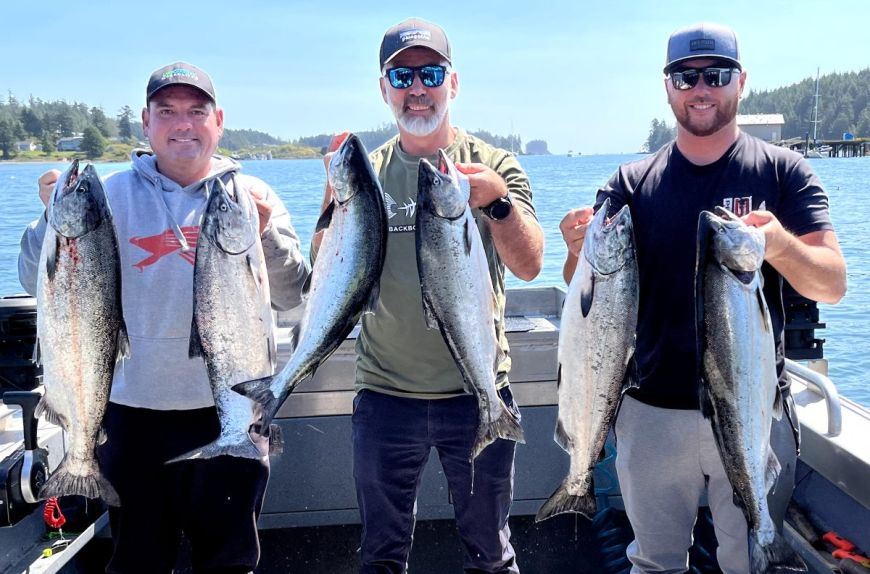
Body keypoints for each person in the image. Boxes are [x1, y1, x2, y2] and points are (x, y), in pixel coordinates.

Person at [558, 23, 846, 574]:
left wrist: (779, 244)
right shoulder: (631, 182)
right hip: (650, 415)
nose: (700, 88)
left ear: (741, 82)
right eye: (684, 77)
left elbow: (832, 283)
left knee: (748, 562)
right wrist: (576, 250)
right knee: (655, 563)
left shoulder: (784, 172)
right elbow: (585, 287)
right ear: (667, 88)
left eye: (714, 75)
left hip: (752, 409)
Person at [18, 62, 311, 574]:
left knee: (229, 562)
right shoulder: (103, 194)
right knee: (137, 561)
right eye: (167, 111)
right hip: (131, 417)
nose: (183, 124)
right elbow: (31, 279)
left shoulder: (255, 197)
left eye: (196, 111)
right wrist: (48, 216)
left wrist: (266, 235)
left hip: (233, 411)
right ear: (146, 124)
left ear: (218, 121)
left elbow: (292, 295)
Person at [314, 17, 543, 574]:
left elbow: (532, 264)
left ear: (453, 83)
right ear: (385, 89)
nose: (418, 87)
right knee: (380, 553)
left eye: (431, 73)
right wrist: (331, 198)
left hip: (479, 389)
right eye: (402, 75)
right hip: (385, 396)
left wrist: (495, 203)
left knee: (491, 551)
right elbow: (325, 274)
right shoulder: (367, 172)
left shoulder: (494, 165)